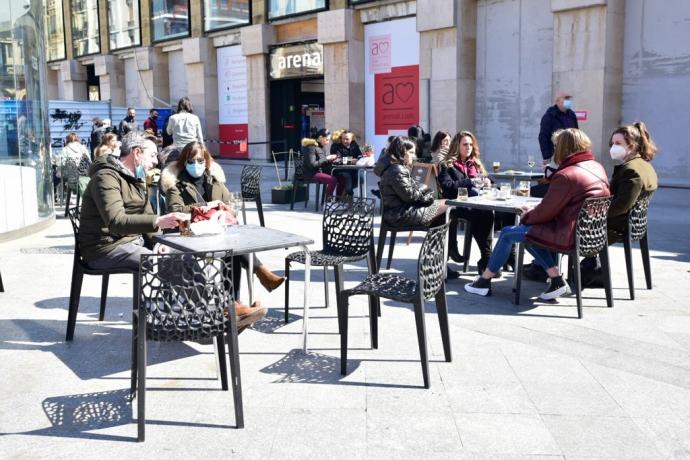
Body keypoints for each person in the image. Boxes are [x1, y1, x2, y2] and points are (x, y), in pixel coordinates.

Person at [465, 128, 610, 300]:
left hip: (568, 234)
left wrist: (527, 215)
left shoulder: (567, 175)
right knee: (530, 231)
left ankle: (484, 281)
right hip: (592, 235)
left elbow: (545, 212)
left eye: (556, 146)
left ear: (563, 147)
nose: (555, 150)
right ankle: (556, 279)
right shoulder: (596, 167)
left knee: (509, 233)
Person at [161, 141, 285, 306]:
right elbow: (176, 210)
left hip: (214, 231)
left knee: (233, 246)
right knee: (231, 245)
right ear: (184, 162)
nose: (196, 165)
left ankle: (233, 301)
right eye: (191, 161)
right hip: (188, 234)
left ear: (206, 161)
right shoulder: (176, 185)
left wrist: (227, 209)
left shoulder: (215, 181)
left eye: (200, 160)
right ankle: (259, 273)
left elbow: (229, 205)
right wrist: (206, 207)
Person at [581, 122, 659, 286]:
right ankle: (591, 269)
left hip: (617, 227)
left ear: (631, 146)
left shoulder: (632, 170)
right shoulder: (645, 165)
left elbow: (621, 206)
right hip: (634, 225)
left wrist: (592, 213)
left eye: (618, 144)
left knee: (566, 224)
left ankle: (547, 270)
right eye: (612, 143)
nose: (613, 147)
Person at [438, 131, 495, 273]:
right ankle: (487, 258)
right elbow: (448, 186)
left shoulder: (475, 163)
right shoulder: (447, 164)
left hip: (479, 201)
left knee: (507, 215)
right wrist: (470, 181)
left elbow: (489, 180)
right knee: (483, 214)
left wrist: (488, 182)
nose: (468, 147)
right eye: (465, 144)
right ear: (457, 146)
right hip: (457, 204)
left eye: (471, 144)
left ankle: (509, 257)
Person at [378, 136, 448, 229]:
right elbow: (410, 197)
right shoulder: (397, 170)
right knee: (449, 204)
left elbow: (408, 193)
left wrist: (424, 190)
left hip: (399, 213)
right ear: (402, 152)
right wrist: (427, 194)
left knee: (445, 207)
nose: (414, 156)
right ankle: (439, 242)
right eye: (411, 152)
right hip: (402, 216)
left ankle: (436, 241)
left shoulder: (393, 168)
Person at [301, 128, 345, 199]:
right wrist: (327, 158)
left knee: (342, 178)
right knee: (332, 180)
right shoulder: (310, 147)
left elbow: (322, 161)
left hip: (320, 171)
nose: (328, 142)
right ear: (321, 137)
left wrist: (331, 160)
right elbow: (312, 165)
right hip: (311, 173)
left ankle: (338, 201)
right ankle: (327, 203)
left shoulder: (321, 147)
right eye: (327, 139)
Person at [538, 91, 578, 164]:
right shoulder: (549, 116)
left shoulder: (572, 115)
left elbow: (577, 134)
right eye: (566, 98)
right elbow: (543, 137)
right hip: (556, 156)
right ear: (557, 101)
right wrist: (547, 157)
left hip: (571, 155)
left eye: (569, 99)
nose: (568, 101)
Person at [331, 130, 362, 195]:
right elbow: (337, 160)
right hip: (339, 170)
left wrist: (359, 158)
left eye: (347, 139)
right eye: (343, 139)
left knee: (361, 179)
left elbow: (359, 156)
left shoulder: (354, 145)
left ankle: (346, 191)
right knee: (347, 178)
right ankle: (347, 195)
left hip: (352, 170)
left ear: (351, 139)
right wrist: (351, 160)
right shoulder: (335, 146)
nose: (345, 141)